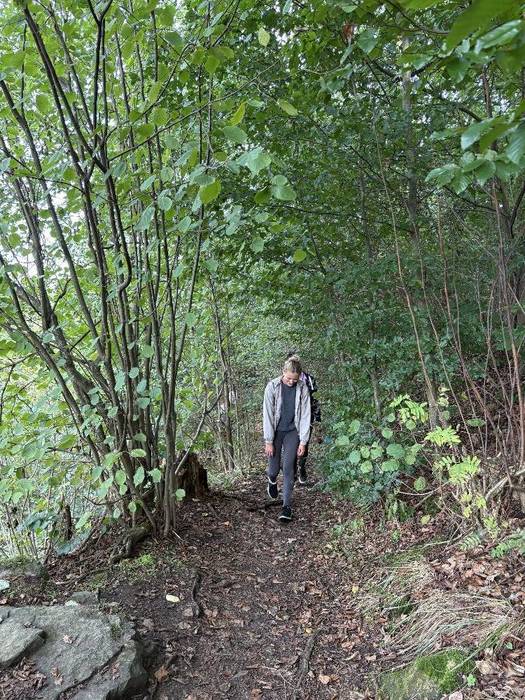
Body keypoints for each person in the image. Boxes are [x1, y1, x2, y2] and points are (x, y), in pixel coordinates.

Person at [262, 356, 311, 522]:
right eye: (289, 378)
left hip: (292, 431)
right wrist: (268, 440)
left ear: (300, 377)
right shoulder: (272, 387)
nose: (291, 382)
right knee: (274, 469)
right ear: (283, 372)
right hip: (276, 431)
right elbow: (268, 415)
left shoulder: (303, 388)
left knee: (289, 467)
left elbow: (305, 415)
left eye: (295, 379)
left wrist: (303, 441)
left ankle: (286, 507)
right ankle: (272, 480)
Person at [285, 352, 321, 485]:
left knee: (304, 443)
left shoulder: (309, 379)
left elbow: (314, 399)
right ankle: (293, 471)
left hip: (307, 416)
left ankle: (302, 467)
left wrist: (317, 419)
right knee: (291, 444)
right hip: (290, 417)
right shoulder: (285, 379)